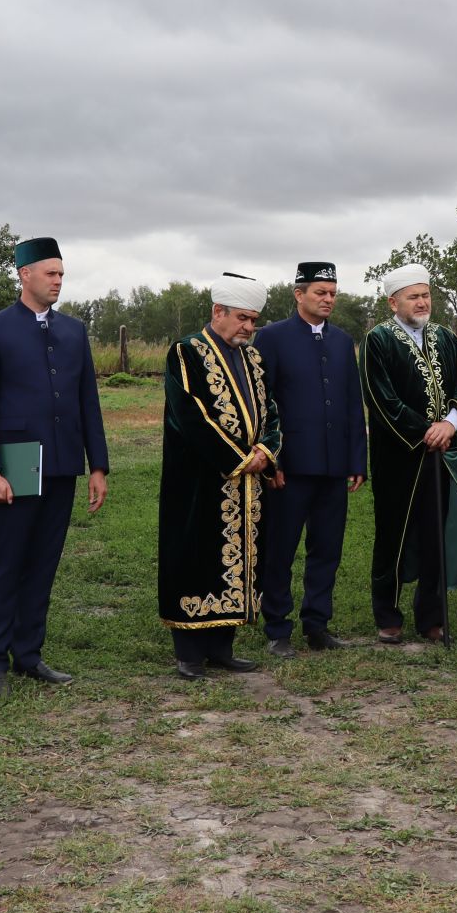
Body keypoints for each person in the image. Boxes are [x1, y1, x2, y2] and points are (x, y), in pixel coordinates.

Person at [0, 236, 110, 699]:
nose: (58, 282)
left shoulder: (74, 331)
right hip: (14, 467)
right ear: (24, 274)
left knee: (44, 563)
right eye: (51, 274)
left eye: (62, 275)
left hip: (64, 465)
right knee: (6, 563)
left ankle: (28, 655)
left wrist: (98, 466)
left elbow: (89, 401)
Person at [360, 265, 457, 644]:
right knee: (394, 535)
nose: (422, 302)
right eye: (413, 296)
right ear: (393, 302)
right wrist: (426, 430)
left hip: (445, 456)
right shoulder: (378, 340)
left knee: (437, 533)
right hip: (399, 460)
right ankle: (387, 616)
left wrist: (450, 424)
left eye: (425, 295)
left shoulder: (445, 338)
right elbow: (382, 400)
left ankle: (431, 617)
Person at [159, 273, 283, 680]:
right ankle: (190, 653)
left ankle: (222, 648)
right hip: (198, 479)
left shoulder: (252, 358)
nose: (249, 327)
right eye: (243, 318)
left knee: (239, 559)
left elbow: (271, 411)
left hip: (247, 482)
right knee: (197, 555)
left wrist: (266, 450)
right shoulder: (186, 352)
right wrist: (238, 458)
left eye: (254, 320)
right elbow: (190, 416)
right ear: (218, 312)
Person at [254, 262, 365, 657]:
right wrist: (272, 460)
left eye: (333, 293)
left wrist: (356, 461)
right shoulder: (271, 338)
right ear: (298, 294)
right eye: (320, 292)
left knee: (327, 549)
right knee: (281, 548)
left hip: (334, 467)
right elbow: (262, 403)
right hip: (290, 468)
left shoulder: (342, 341)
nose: (328, 299)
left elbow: (353, 405)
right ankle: (278, 628)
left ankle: (317, 624)